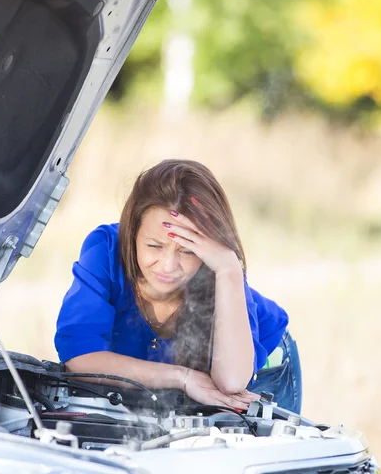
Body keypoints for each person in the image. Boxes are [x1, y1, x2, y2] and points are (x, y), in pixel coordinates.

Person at [55, 159, 302, 413]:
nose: (168, 266)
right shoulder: (105, 250)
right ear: (132, 232)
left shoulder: (221, 267)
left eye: (187, 250)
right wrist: (181, 377)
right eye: (154, 246)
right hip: (182, 378)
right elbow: (80, 357)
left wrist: (229, 270)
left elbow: (231, 382)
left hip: (260, 365)